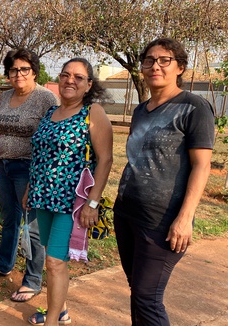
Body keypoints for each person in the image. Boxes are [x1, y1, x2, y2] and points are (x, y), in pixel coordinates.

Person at [114, 38, 215, 325]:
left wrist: (185, 218)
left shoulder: (194, 107)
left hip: (162, 222)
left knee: (148, 297)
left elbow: (202, 165)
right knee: (138, 291)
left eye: (164, 60)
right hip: (127, 213)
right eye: (149, 60)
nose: (154, 65)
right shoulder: (140, 110)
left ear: (180, 67)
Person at [23, 58, 113, 325]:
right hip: (43, 197)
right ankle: (60, 310)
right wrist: (30, 188)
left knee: (54, 262)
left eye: (78, 77)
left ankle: (52, 320)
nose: (70, 80)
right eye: (65, 75)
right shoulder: (50, 112)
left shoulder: (92, 112)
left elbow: (105, 159)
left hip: (70, 202)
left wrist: (92, 204)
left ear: (88, 85)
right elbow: (39, 155)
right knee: (54, 256)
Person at [0, 49, 58, 303]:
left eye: (24, 69)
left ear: (34, 71)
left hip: (29, 168)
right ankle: (4, 264)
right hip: (5, 167)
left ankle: (32, 281)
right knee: (10, 219)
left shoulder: (46, 98)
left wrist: (38, 175)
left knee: (33, 226)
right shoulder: (6, 95)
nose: (19, 74)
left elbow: (51, 137)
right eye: (13, 69)